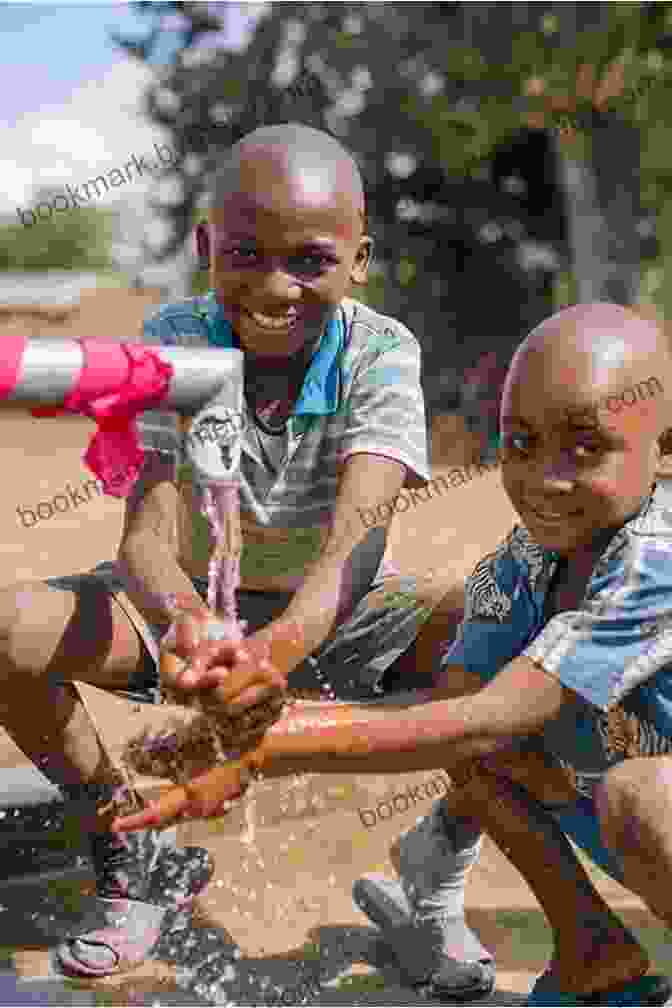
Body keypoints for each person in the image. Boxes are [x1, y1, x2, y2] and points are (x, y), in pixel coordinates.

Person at [0, 120, 496, 983]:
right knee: (8, 627)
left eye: (309, 260)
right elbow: (146, 535)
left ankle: (434, 878)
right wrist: (188, 618)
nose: (276, 287)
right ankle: (130, 848)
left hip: (337, 614)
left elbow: (356, 538)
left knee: (500, 624)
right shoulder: (176, 338)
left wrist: (279, 650)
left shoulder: (380, 352)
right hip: (193, 610)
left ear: (359, 259)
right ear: (205, 248)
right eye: (245, 256)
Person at [124, 302, 672, 1005]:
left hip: (649, 808)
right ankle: (591, 950)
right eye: (522, 443)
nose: (544, 479)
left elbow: (497, 711)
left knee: (639, 796)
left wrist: (263, 748)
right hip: (619, 807)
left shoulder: (655, 561)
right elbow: (453, 711)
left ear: (663, 450)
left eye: (586, 447)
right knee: (473, 737)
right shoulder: (523, 562)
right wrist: (250, 730)